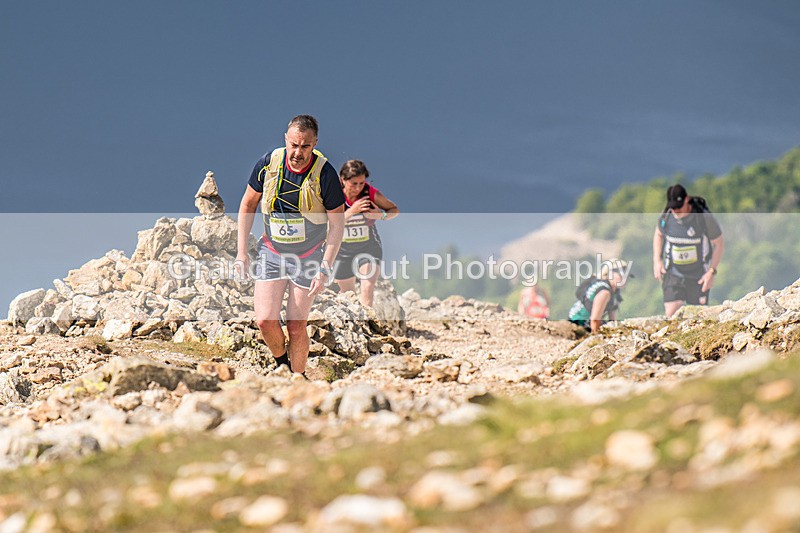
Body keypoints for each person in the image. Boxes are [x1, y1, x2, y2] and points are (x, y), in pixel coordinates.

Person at [236, 115, 345, 374]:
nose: (298, 152)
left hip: (308, 256)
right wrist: (241, 253)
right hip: (272, 251)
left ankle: (298, 378)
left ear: (315, 143)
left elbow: (337, 225)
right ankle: (282, 365)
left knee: (296, 326)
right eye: (294, 145)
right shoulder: (268, 163)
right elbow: (248, 204)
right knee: (265, 320)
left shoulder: (325, 174)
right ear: (286, 139)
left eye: (305, 146)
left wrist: (325, 267)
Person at [334, 159, 399, 307]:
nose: (358, 188)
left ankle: (368, 320)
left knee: (367, 288)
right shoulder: (334, 195)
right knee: (347, 295)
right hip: (341, 250)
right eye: (354, 184)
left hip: (368, 247)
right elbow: (327, 224)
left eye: (361, 183)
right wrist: (352, 211)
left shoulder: (369, 193)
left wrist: (380, 215)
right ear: (343, 180)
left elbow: (394, 210)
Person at [653, 184, 724, 318]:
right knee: (671, 313)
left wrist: (711, 271)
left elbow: (719, 244)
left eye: (679, 207)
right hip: (673, 272)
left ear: (686, 200)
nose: (676, 211)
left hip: (699, 275)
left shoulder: (703, 218)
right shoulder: (667, 216)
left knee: (698, 317)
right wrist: (657, 260)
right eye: (673, 208)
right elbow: (658, 234)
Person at [568, 260, 632, 333]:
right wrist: (596, 336)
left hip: (587, 322)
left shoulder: (615, 292)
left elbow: (612, 321)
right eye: (621, 276)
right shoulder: (604, 292)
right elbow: (595, 320)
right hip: (577, 324)